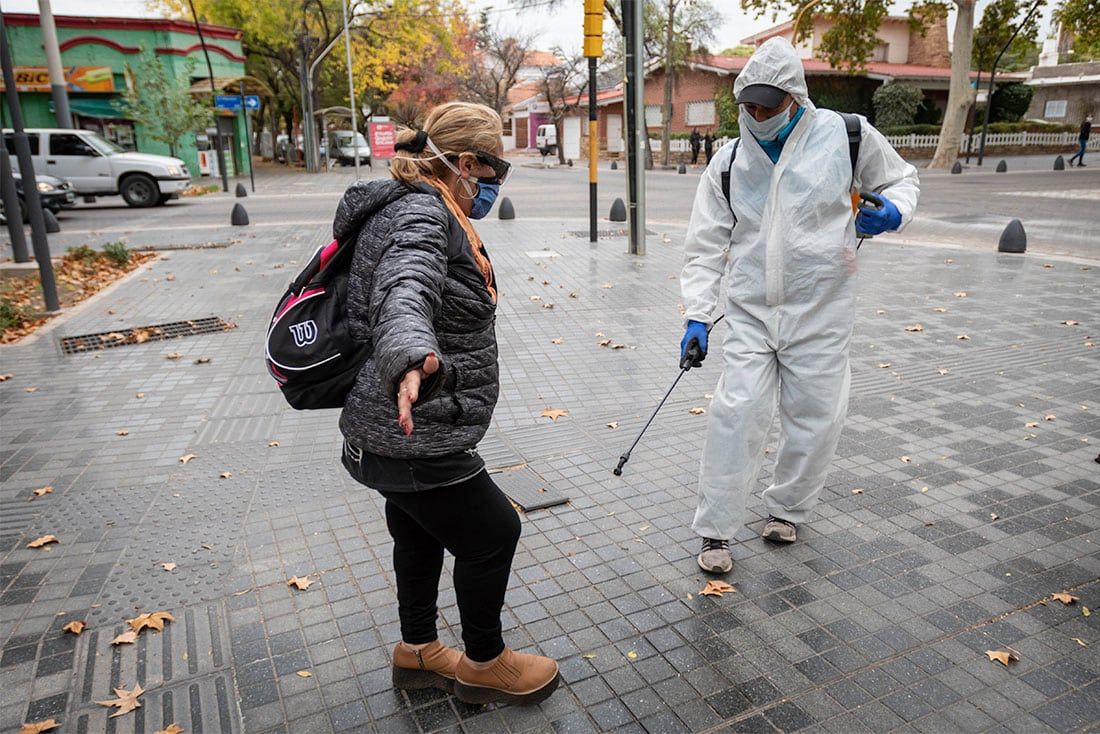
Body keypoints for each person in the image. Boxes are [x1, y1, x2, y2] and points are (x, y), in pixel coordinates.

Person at [334, 101, 560, 705]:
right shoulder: (422, 216)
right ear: (463, 163)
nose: (493, 188)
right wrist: (411, 356)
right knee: (494, 532)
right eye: (495, 173)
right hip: (414, 424)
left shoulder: (419, 207)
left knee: (418, 532)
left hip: (392, 425)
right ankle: (484, 662)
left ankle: (418, 650)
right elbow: (404, 285)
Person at [679, 38, 920, 574]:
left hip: (822, 309)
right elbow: (704, 245)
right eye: (751, 106)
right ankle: (716, 530)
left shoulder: (846, 136)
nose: (759, 115)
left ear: (796, 98)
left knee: (816, 418)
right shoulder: (730, 161)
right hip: (751, 313)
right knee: (734, 413)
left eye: (770, 105)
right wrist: (697, 312)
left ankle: (787, 508)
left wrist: (894, 213)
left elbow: (902, 179)